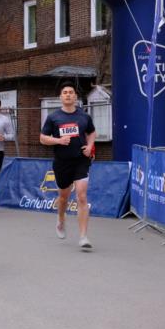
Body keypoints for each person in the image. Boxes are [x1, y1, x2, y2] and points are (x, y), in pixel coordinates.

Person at [40, 82, 95, 250]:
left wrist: (90, 146)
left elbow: (92, 132)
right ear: (61, 97)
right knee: (63, 196)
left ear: (76, 97)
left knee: (82, 196)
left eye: (71, 92)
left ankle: (83, 236)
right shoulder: (53, 117)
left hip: (81, 160)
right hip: (62, 162)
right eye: (65, 92)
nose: (68, 95)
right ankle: (61, 219)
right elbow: (42, 138)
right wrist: (58, 140)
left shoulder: (84, 116)